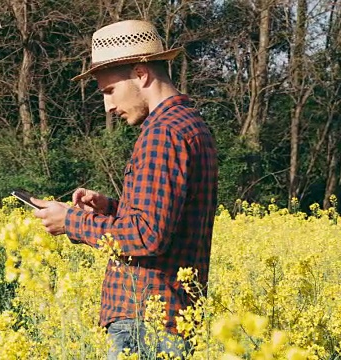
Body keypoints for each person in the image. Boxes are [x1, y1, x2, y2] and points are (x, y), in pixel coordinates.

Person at [30, 19, 218, 359]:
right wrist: (113, 209)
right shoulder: (190, 124)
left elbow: (149, 235)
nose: (108, 107)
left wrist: (71, 221)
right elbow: (168, 220)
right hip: (169, 315)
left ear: (141, 73)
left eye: (109, 91)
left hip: (148, 319)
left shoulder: (164, 133)